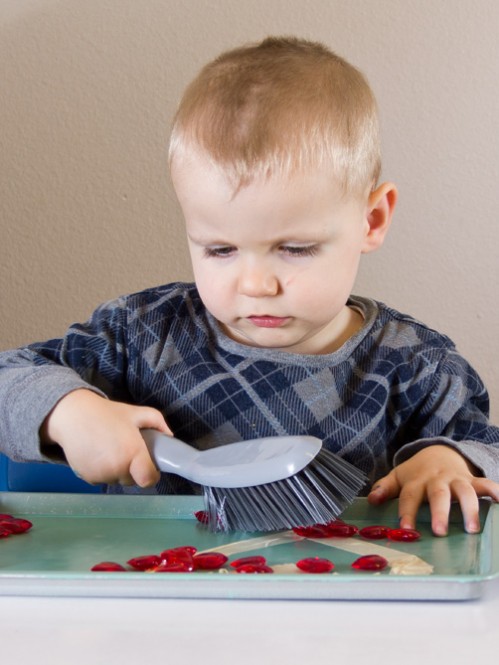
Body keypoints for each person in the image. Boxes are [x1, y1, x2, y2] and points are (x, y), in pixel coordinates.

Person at [1, 36, 498, 536]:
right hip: (155, 595)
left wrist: (454, 462)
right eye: (220, 250)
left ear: (371, 219)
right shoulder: (141, 335)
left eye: (295, 248)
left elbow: (487, 449)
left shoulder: (417, 367)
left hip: (344, 603)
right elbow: (9, 378)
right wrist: (66, 412)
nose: (256, 285)